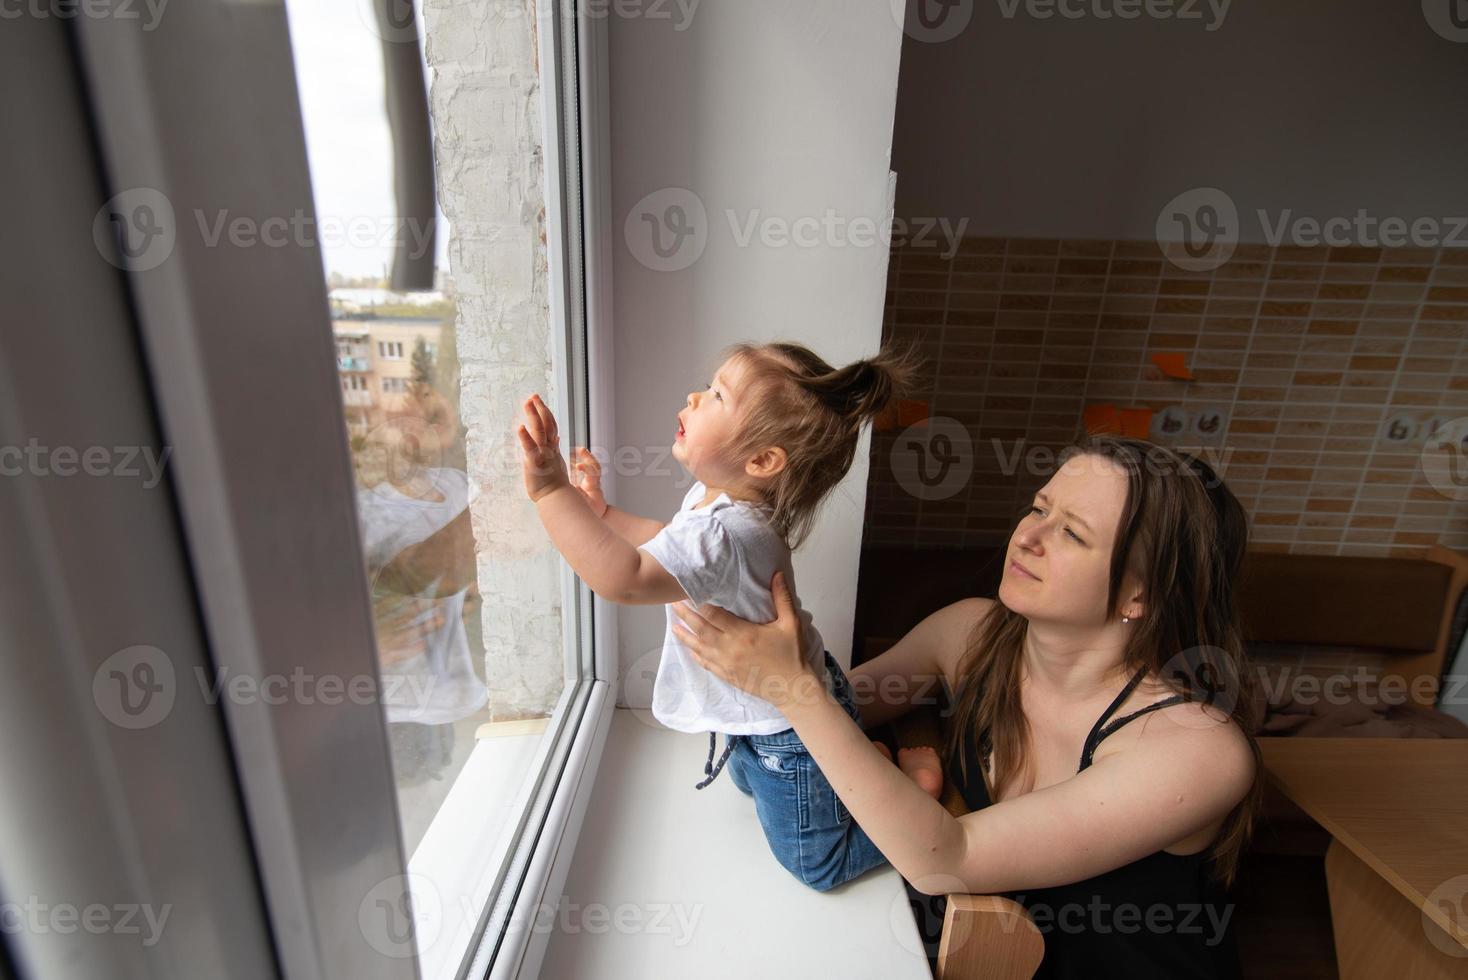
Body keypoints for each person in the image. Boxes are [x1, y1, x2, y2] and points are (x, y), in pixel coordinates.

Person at [670, 436, 1263, 977]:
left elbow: (947, 858)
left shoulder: (1195, 747)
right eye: (1038, 508)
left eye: (1072, 533)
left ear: (1142, 592)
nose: (1026, 537)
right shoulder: (969, 633)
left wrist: (793, 689)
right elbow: (823, 719)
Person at [516, 340, 934, 891]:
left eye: (716, 395)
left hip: (790, 733)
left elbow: (624, 578)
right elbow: (667, 551)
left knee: (816, 866)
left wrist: (550, 492)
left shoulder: (727, 530)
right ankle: (860, 767)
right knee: (745, 781)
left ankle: (910, 789)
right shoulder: (720, 506)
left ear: (762, 461)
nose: (694, 395)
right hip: (778, 706)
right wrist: (602, 514)